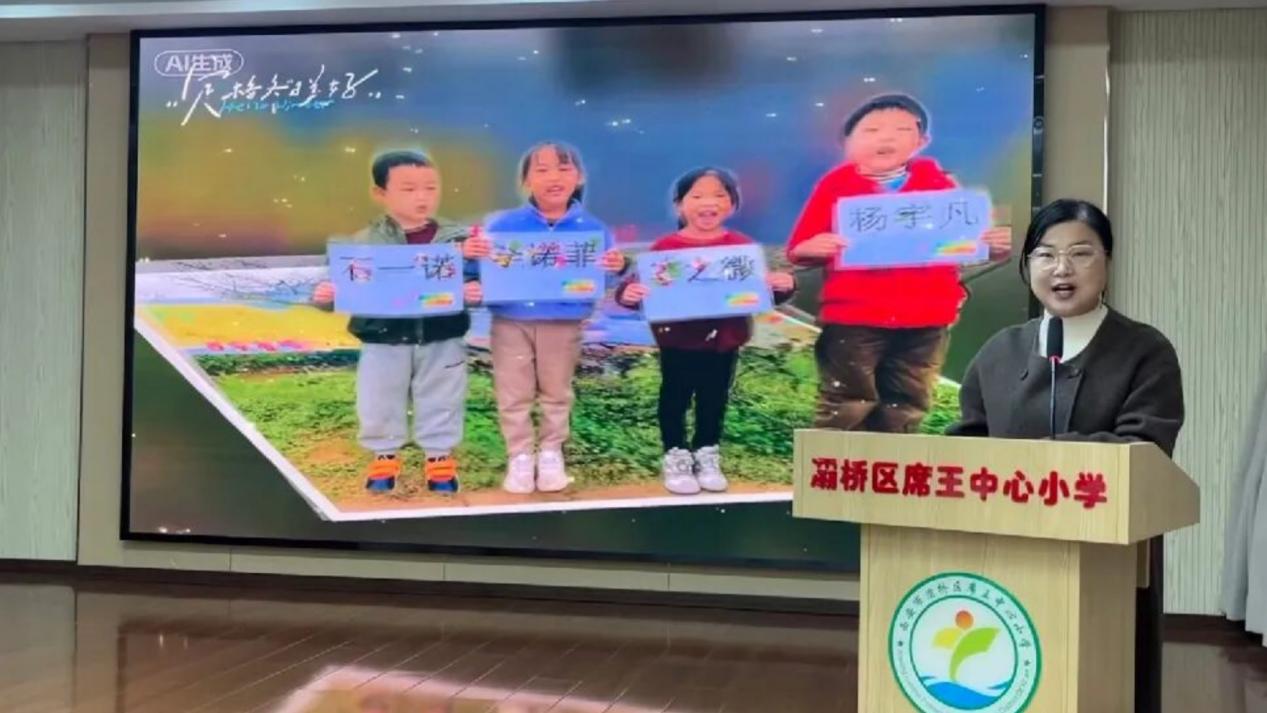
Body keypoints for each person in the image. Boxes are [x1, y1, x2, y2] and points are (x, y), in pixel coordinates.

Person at [946, 198, 1184, 713]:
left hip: (1109, 565)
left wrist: (1043, 461)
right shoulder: (1000, 350)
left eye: (1080, 253)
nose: (1062, 269)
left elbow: (1146, 451)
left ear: (1107, 262)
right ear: (1027, 265)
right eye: (1046, 254)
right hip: (1004, 558)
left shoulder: (1145, 350)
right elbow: (964, 446)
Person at [786, 93, 1012, 434]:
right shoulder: (835, 186)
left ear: (922, 141)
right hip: (854, 317)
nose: (886, 138)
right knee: (847, 400)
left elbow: (967, 246)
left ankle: (891, 463)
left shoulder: (941, 185)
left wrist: (991, 247)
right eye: (872, 130)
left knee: (908, 400)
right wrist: (814, 246)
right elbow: (799, 249)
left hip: (927, 316)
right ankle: (837, 464)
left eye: (902, 130)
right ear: (847, 143)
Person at [616, 167, 796, 495]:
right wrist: (628, 295)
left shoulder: (740, 247)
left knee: (714, 399)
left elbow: (761, 291)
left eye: (718, 195)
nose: (708, 203)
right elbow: (635, 288)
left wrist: (783, 286)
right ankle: (675, 454)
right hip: (677, 342)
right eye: (697, 196)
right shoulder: (665, 247)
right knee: (675, 398)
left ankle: (707, 451)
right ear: (679, 205)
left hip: (724, 342)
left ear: (732, 204)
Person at [312, 150, 483, 494]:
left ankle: (439, 456)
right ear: (380, 193)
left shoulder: (461, 241)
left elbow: (481, 282)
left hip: (442, 334)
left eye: (430, 188)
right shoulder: (361, 243)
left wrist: (474, 291)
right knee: (378, 397)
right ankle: (384, 455)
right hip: (382, 337)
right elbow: (338, 290)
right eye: (408, 189)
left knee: (442, 395)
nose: (422, 197)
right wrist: (326, 296)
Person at [464, 141, 627, 494]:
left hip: (564, 323)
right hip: (511, 321)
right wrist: (471, 258)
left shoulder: (592, 228)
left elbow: (607, 277)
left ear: (579, 177)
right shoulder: (502, 225)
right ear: (526, 181)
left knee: (557, 391)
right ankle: (520, 456)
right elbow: (475, 272)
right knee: (513, 391)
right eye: (542, 170)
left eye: (564, 168)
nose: (554, 177)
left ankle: (552, 453)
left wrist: (616, 266)